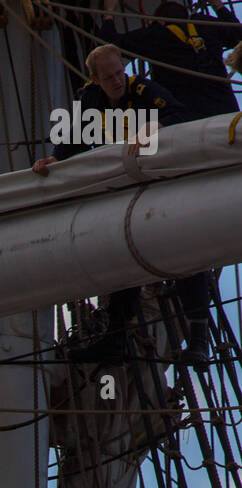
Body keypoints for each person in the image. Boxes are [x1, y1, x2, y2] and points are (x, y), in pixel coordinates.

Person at [33, 46, 210, 364]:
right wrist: (56, 160)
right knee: (123, 257)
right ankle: (116, 339)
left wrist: (151, 129)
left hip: (160, 182)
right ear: (94, 79)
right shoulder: (90, 99)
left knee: (184, 250)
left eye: (120, 73)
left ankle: (199, 338)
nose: (117, 81)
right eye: (109, 77)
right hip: (122, 189)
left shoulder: (144, 90)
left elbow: (178, 114)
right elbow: (76, 134)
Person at [96, 0, 242, 119]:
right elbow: (237, 33)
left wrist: (108, 12)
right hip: (226, 111)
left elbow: (108, 45)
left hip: (184, 118)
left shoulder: (155, 36)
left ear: (160, 21)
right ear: (187, 16)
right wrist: (218, 5)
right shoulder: (205, 24)